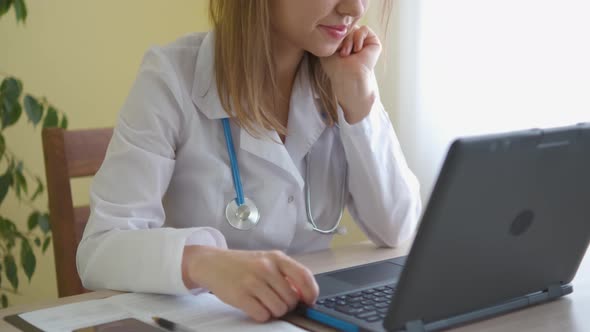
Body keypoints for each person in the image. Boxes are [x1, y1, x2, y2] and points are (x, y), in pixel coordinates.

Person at [77, 0, 421, 323]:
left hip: (305, 318)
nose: (355, 8)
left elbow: (396, 228)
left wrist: (360, 98)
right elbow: (100, 248)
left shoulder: (342, 76)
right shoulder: (172, 76)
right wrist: (205, 262)